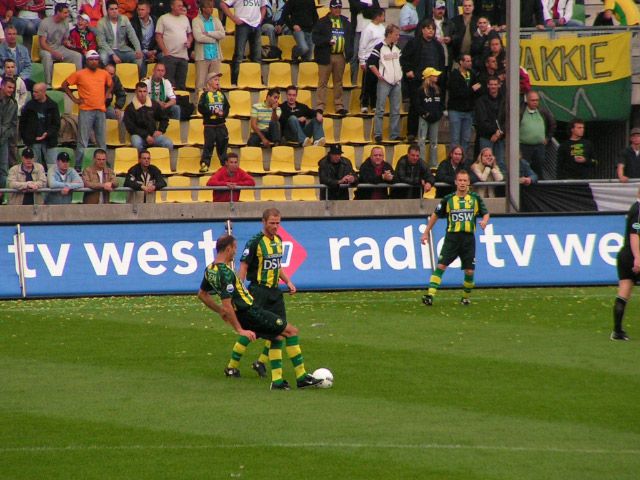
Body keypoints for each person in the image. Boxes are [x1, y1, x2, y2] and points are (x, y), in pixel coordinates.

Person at [198, 233, 322, 390]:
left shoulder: (210, 270)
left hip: (249, 310)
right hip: (250, 311)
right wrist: (239, 329)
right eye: (235, 249)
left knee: (277, 335)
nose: (236, 252)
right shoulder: (226, 273)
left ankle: (277, 382)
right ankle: (302, 377)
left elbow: (202, 294)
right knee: (291, 332)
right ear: (228, 249)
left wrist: (219, 311)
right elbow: (228, 305)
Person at [231, 208, 302, 381]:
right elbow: (244, 266)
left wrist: (288, 281)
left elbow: (277, 266)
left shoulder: (278, 240)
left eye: (278, 223)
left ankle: (262, 363)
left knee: (279, 330)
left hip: (275, 293)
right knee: (252, 330)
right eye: (272, 223)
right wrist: (240, 289)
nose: (275, 226)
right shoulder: (255, 242)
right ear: (263, 222)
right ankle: (232, 367)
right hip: (259, 291)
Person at [420, 169, 490, 306]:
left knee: (469, 271)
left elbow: (486, 213)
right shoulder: (448, 199)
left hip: (468, 240)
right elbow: (435, 215)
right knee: (441, 266)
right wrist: (426, 232)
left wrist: (484, 222)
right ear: (456, 182)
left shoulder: (475, 198)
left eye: (465, 180)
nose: (462, 183)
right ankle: (430, 296)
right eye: (460, 180)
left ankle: (465, 298)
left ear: (468, 182)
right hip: (452, 238)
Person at [61, 49, 112, 172]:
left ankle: (103, 167)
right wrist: (74, 99)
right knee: (82, 142)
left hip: (100, 110)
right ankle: (79, 167)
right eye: (91, 60)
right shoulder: (80, 74)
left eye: (96, 60)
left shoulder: (104, 74)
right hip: (86, 110)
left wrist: (106, 96)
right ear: (87, 61)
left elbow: (111, 84)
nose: (94, 62)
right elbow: (64, 84)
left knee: (101, 142)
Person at [401, 18, 445, 142]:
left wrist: (439, 78)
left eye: (433, 29)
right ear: (423, 30)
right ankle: (411, 132)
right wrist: (408, 70)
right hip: (417, 81)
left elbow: (442, 63)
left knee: (432, 106)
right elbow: (404, 59)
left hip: (433, 82)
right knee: (415, 106)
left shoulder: (437, 45)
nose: (431, 31)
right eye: (429, 28)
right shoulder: (413, 43)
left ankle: (430, 134)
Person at [312, 0, 353, 116]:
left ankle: (339, 106)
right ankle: (320, 106)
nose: (337, 10)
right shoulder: (322, 22)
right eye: (335, 8)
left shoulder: (345, 22)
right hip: (326, 55)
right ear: (330, 9)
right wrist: (327, 42)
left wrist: (349, 53)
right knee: (322, 82)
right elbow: (315, 38)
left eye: (339, 8)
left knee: (338, 82)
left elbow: (350, 38)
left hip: (340, 55)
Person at [611, 189, 640, 340]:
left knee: (624, 292)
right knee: (624, 291)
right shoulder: (639, 210)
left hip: (624, 254)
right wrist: (638, 258)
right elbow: (635, 234)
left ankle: (617, 332)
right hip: (633, 255)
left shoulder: (633, 208)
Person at [368, 24, 403, 143]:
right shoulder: (379, 47)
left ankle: (394, 134)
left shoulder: (397, 48)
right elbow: (371, 63)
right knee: (380, 109)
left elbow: (401, 63)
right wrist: (379, 76)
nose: (398, 37)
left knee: (396, 110)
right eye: (396, 34)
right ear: (389, 34)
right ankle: (378, 134)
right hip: (384, 82)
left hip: (397, 82)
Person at [219, 0, 265, 86]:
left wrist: (260, 20)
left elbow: (264, 6)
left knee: (257, 55)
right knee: (239, 54)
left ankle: (257, 78)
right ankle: (235, 80)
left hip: (256, 25)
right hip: (242, 24)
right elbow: (223, 4)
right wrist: (233, 19)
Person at [38, 3, 83, 87]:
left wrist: (67, 43)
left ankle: (78, 81)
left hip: (59, 48)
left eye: (68, 12)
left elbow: (64, 40)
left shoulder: (65, 23)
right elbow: (42, 43)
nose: (67, 15)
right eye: (65, 13)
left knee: (77, 56)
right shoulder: (45, 23)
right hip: (46, 49)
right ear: (58, 12)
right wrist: (54, 53)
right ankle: (48, 83)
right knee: (47, 56)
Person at [96, 0, 143, 77]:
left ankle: (135, 81)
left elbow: (132, 35)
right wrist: (113, 54)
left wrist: (138, 50)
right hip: (108, 50)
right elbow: (102, 42)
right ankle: (104, 80)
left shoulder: (124, 19)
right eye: (112, 9)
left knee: (139, 57)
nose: (114, 11)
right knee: (103, 57)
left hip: (122, 49)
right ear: (107, 11)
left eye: (116, 9)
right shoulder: (101, 22)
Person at [123, 81, 174, 152]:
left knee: (168, 143)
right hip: (138, 136)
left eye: (144, 91)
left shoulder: (154, 105)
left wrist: (161, 130)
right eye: (140, 91)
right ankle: (141, 161)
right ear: (136, 92)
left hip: (153, 135)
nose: (142, 94)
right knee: (136, 143)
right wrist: (146, 136)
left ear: (147, 92)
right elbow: (131, 127)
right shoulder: (130, 108)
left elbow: (164, 118)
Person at [20, 81, 60, 168]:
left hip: (49, 141)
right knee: (33, 167)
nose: (33, 94)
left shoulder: (53, 105)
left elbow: (56, 124)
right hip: (33, 141)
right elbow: (23, 124)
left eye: (36, 92)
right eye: (33, 91)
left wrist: (47, 133)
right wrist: (27, 139)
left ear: (44, 92)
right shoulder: (29, 106)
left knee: (53, 167)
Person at [155, 0, 193, 90]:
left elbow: (190, 34)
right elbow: (158, 36)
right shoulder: (163, 18)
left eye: (182, 6)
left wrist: (189, 42)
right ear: (172, 6)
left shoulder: (185, 18)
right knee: (169, 85)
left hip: (183, 57)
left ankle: (181, 103)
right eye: (178, 6)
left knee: (181, 84)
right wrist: (165, 51)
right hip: (170, 56)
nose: (181, 7)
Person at [447, 54, 480, 158]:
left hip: (468, 111)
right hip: (455, 110)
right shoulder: (454, 75)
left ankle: (463, 162)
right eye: (467, 61)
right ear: (461, 62)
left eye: (470, 61)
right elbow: (457, 93)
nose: (470, 63)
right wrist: (471, 90)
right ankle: (453, 161)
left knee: (466, 140)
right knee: (455, 140)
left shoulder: (472, 74)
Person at [519, 90, 555, 180]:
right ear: (527, 100)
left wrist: (548, 138)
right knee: (524, 169)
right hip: (524, 146)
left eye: (537, 100)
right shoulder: (521, 111)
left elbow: (552, 123)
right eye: (533, 100)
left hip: (539, 146)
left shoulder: (542, 111)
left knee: (539, 169)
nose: (535, 102)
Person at [192, 0, 224, 99]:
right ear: (203, 8)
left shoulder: (216, 20)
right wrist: (213, 39)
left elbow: (222, 34)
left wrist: (209, 33)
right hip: (202, 57)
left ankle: (215, 104)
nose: (212, 9)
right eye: (209, 7)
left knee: (215, 84)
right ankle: (198, 107)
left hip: (215, 56)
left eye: (212, 7)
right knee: (201, 84)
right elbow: (198, 37)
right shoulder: (196, 21)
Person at [198, 72, 230, 171]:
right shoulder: (205, 95)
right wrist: (212, 112)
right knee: (208, 145)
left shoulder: (221, 94)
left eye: (218, 80)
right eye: (215, 80)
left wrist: (223, 113)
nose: (218, 82)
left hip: (221, 125)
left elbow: (227, 106)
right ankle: (205, 164)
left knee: (223, 145)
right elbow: (201, 108)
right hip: (209, 126)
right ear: (209, 82)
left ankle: (225, 165)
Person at [474, 76, 505, 173]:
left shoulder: (505, 100)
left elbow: (507, 119)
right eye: (491, 84)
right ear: (487, 86)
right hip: (486, 137)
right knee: (484, 164)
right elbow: (481, 120)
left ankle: (499, 186)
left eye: (495, 84)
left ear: (499, 85)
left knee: (500, 164)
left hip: (501, 136)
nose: (493, 87)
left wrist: (499, 133)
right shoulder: (481, 101)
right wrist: (494, 132)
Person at [357, 7, 384, 114]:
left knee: (375, 84)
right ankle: (364, 103)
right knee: (367, 83)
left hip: (379, 59)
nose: (383, 17)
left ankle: (373, 104)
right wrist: (362, 61)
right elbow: (362, 45)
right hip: (369, 58)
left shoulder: (382, 28)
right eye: (382, 15)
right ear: (377, 16)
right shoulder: (368, 29)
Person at [1, 58, 26, 166]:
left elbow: (24, 94)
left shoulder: (19, 81)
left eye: (12, 67)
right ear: (3, 68)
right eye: (8, 67)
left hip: (14, 114)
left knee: (13, 143)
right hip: (3, 114)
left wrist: (19, 106)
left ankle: (13, 166)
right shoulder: (1, 80)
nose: (10, 70)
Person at [417, 67, 444, 168]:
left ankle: (434, 163)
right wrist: (425, 114)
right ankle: (422, 164)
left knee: (434, 141)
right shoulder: (421, 90)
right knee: (421, 141)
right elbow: (417, 105)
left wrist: (439, 114)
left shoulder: (438, 90)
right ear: (428, 77)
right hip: (424, 118)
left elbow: (441, 104)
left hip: (435, 118)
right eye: (434, 75)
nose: (436, 77)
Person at [0, 77, 17, 204]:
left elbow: (13, 123)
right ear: (2, 86)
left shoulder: (13, 103)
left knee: (3, 170)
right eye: (9, 87)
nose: (11, 90)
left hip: (4, 140)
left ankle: (1, 196)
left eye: (13, 88)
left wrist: (7, 134)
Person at [0, 24, 32, 90]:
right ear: (5, 36)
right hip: (4, 79)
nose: (12, 36)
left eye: (14, 34)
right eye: (9, 34)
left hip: (21, 79)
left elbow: (28, 66)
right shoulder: (0, 49)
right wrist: (8, 76)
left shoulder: (23, 49)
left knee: (37, 88)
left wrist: (20, 78)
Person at [130, 0, 160, 67]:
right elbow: (132, 41)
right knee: (139, 59)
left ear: (148, 10)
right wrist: (146, 52)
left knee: (164, 56)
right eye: (139, 10)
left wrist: (154, 51)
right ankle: (142, 77)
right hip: (140, 50)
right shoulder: (133, 22)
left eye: (142, 10)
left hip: (154, 51)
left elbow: (160, 38)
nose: (140, 12)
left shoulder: (156, 21)